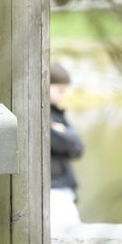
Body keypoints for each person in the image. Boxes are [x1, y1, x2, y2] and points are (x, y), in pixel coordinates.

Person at [49, 61, 84, 231]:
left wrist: (63, 132)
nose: (63, 96)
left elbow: (77, 147)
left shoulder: (57, 114)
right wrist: (61, 133)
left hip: (61, 186)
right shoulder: (44, 117)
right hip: (53, 190)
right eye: (60, 91)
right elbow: (69, 143)